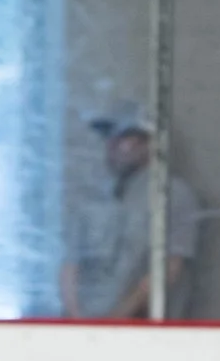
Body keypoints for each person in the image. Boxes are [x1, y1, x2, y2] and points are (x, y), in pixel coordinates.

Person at [63, 105, 201, 319]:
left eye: (124, 137)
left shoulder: (171, 193)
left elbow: (170, 268)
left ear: (149, 143)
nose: (113, 146)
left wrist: (118, 317)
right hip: (84, 326)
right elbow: (70, 263)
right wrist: (75, 318)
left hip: (143, 331)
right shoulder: (95, 199)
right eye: (110, 138)